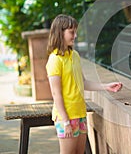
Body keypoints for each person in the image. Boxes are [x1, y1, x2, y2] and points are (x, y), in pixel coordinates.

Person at [46, 14, 122, 154]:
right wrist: (66, 122)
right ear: (60, 32)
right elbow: (56, 94)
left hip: (80, 113)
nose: (75, 36)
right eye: (71, 32)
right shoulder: (55, 60)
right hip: (66, 117)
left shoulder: (74, 55)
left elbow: (84, 83)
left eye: (75, 32)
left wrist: (106, 86)